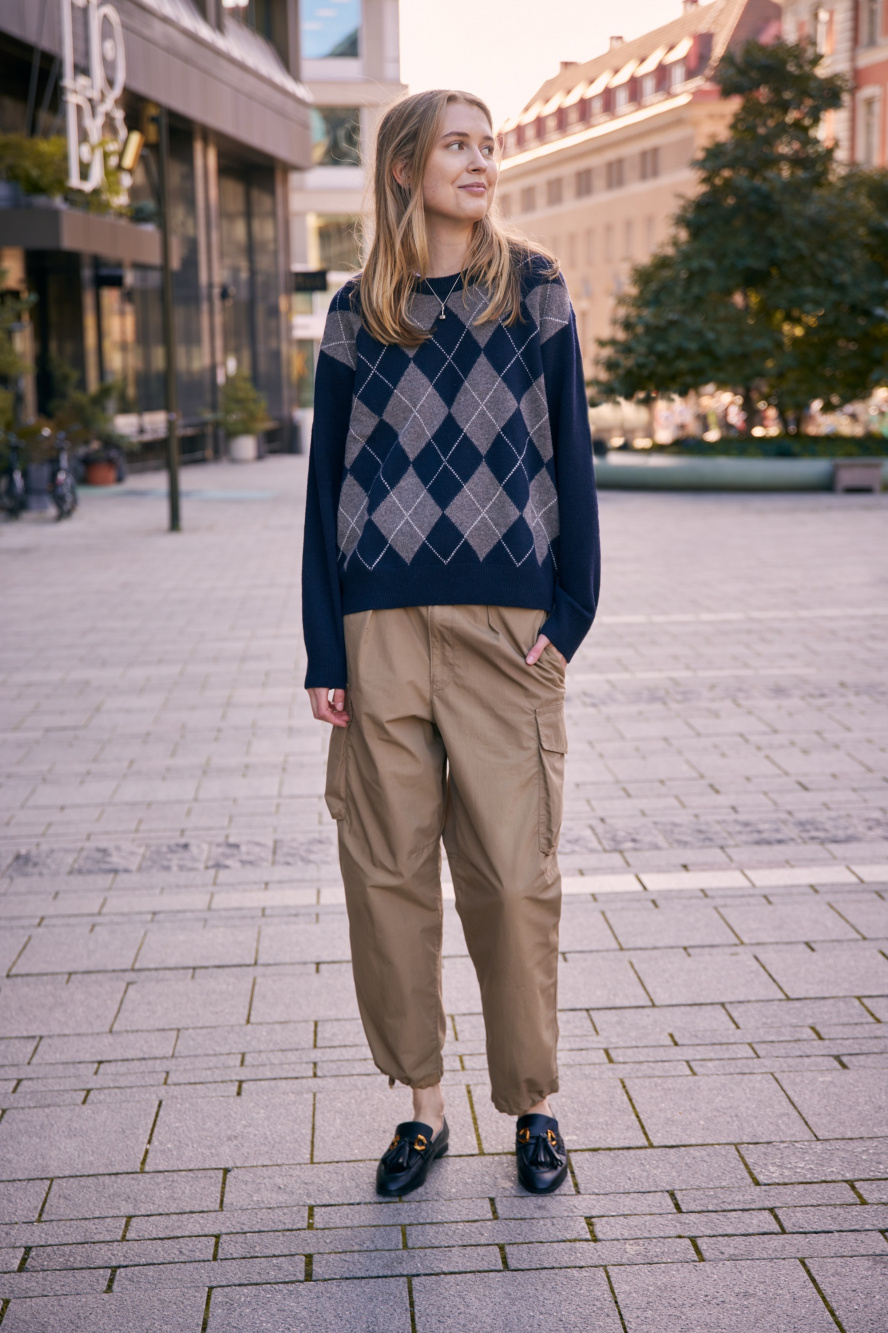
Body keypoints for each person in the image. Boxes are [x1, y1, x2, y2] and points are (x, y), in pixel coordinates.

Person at [302, 88, 601, 1196]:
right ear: (402, 169)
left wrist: (568, 616)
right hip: (376, 627)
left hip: (503, 633)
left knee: (515, 881)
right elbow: (324, 487)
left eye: (488, 145)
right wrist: (324, 650)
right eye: (456, 146)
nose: (480, 161)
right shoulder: (356, 314)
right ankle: (422, 1110)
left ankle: (532, 1105)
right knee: (387, 878)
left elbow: (571, 459)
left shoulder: (533, 293)